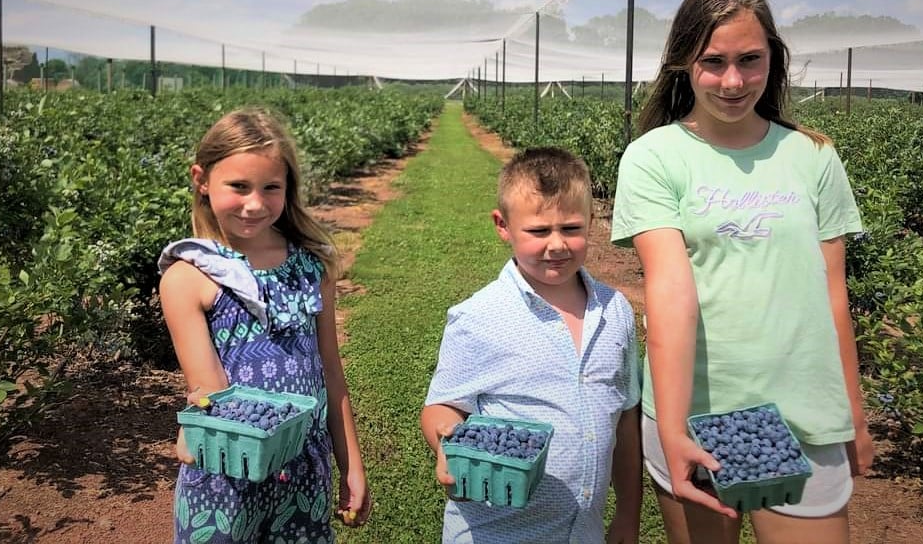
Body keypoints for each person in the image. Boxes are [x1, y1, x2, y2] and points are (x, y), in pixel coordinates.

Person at [611, 0, 873, 544]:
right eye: (714, 62)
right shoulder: (654, 157)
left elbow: (833, 293)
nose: (733, 81)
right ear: (684, 62)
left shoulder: (813, 156)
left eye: (750, 60)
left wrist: (852, 410)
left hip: (804, 409)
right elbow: (671, 293)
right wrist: (676, 427)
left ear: (772, 59)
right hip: (701, 410)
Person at [159, 107, 371, 543]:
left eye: (270, 187)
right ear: (201, 179)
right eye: (239, 186)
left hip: (303, 469)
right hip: (228, 476)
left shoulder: (311, 266)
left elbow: (330, 371)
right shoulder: (190, 277)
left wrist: (350, 462)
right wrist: (195, 429)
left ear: (288, 188)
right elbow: (213, 393)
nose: (255, 203)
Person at [421, 146, 642, 543]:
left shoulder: (616, 311)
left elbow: (625, 418)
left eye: (571, 228)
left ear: (592, 222)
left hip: (583, 532)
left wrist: (627, 512)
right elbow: (443, 405)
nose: (556, 245)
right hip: (496, 532)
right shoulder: (479, 317)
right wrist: (447, 440)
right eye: (539, 231)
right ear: (502, 225)